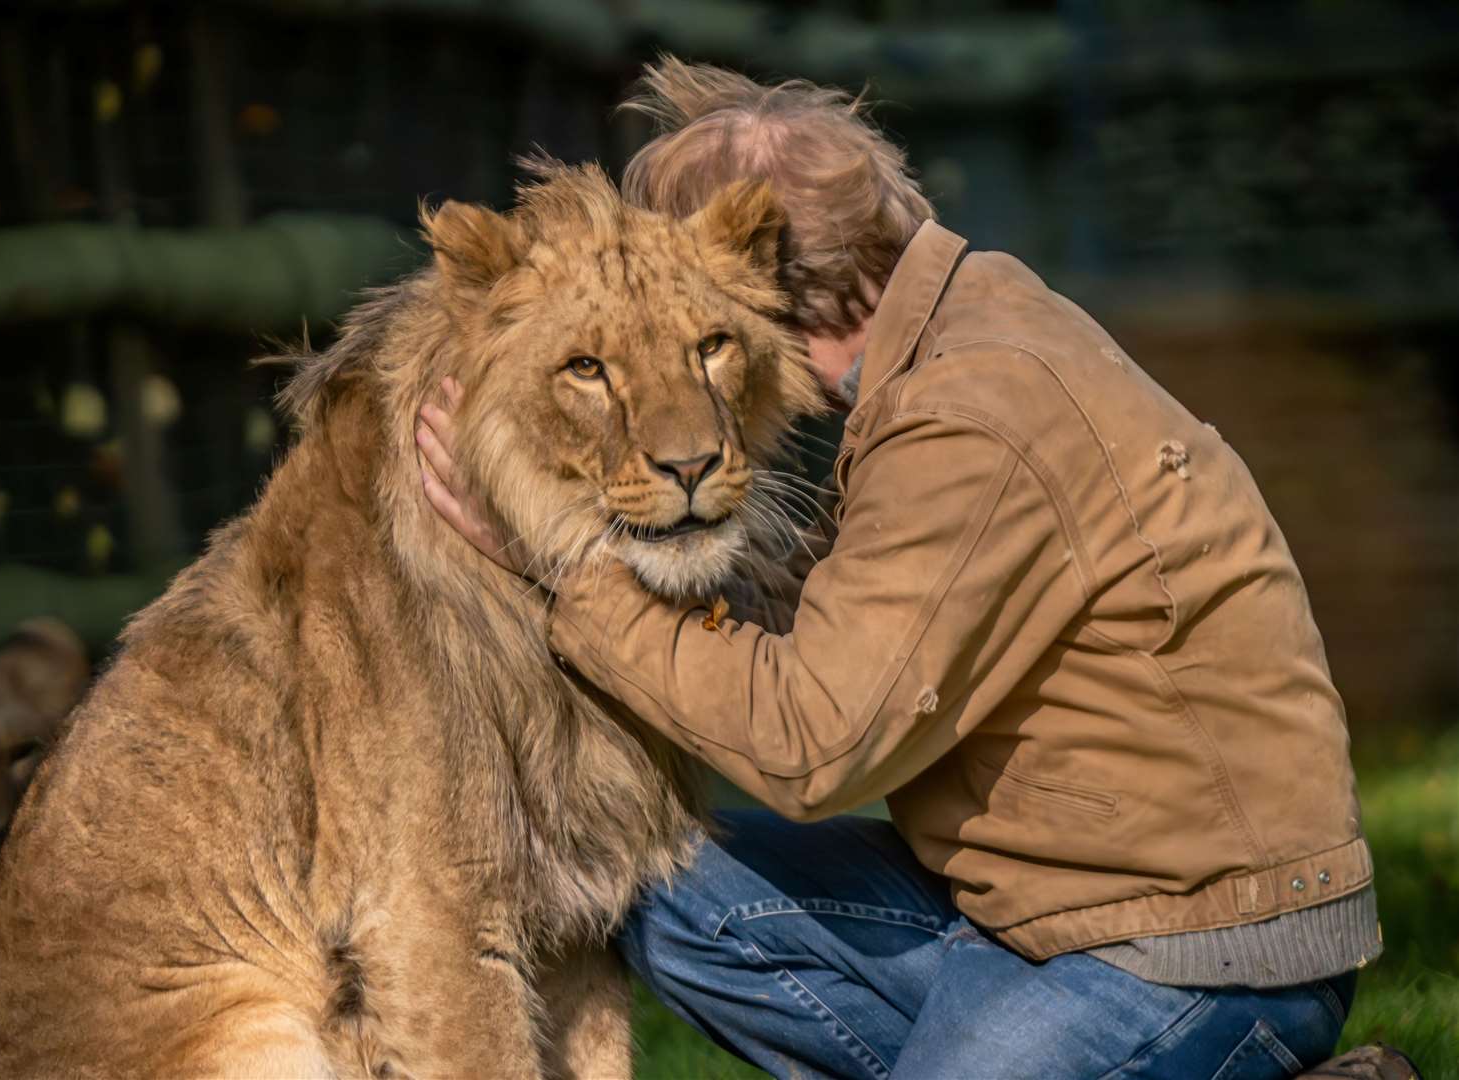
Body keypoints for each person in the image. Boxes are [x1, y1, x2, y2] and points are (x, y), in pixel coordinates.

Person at [416, 58, 1413, 1080]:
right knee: (671, 896)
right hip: (1044, 905)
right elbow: (859, 624)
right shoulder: (965, 320)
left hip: (1189, 951)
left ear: (756, 268)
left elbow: (815, 745)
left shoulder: (968, 414)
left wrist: (571, 584)